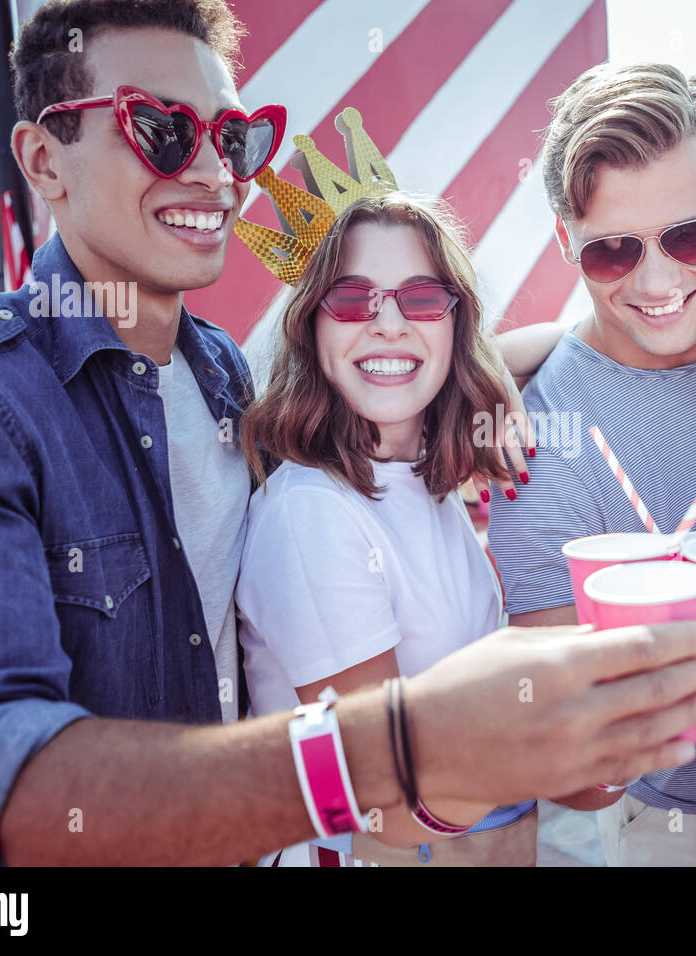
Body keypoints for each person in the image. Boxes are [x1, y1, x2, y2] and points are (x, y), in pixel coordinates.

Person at [0, 0, 696, 866]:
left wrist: (499, 377)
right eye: (160, 130)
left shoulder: (219, 381)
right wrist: (412, 742)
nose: (213, 169)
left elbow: (389, 376)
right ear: (43, 160)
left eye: (233, 137)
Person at [488, 62, 696, 866]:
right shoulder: (541, 439)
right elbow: (573, 761)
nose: (658, 281)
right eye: (612, 251)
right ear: (566, 240)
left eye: (691, 237)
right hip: (692, 829)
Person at [237, 191, 542, 865]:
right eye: (352, 300)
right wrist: (558, 724)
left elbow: (568, 340)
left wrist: (505, 378)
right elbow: (381, 793)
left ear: (456, 324)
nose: (389, 325)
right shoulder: (312, 513)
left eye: (422, 299)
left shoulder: (418, 476)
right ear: (311, 326)